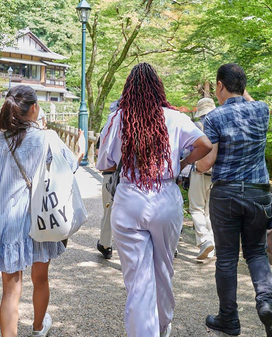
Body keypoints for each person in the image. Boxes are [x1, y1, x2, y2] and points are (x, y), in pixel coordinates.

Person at [96, 63, 212, 337]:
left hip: (129, 199)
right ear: (158, 88)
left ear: (128, 90)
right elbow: (205, 144)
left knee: (138, 279)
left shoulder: (117, 118)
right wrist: (180, 162)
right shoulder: (175, 117)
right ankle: (163, 324)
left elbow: (106, 164)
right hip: (165, 198)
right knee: (163, 267)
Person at [0, 85, 85, 337]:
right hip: (39, 221)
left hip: (6, 225)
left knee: (10, 292)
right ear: (34, 108)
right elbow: (67, 171)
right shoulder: (47, 138)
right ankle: (37, 329)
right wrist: (80, 149)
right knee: (40, 279)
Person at [197, 63, 272, 337]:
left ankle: (229, 320)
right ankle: (266, 304)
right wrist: (240, 88)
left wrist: (196, 166)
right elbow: (249, 99)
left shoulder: (214, 117)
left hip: (227, 194)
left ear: (220, 86)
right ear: (244, 86)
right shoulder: (262, 109)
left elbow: (207, 161)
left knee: (225, 258)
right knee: (256, 252)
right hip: (259, 193)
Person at [189, 97, 217, 261]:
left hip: (198, 171)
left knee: (196, 208)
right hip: (217, 174)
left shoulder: (196, 126)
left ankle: (204, 240)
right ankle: (212, 246)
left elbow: (188, 150)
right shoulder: (221, 123)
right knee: (209, 212)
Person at [97, 99, 120, 260]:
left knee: (109, 211)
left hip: (110, 176)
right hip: (130, 177)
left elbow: (100, 154)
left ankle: (106, 245)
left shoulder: (108, 126)